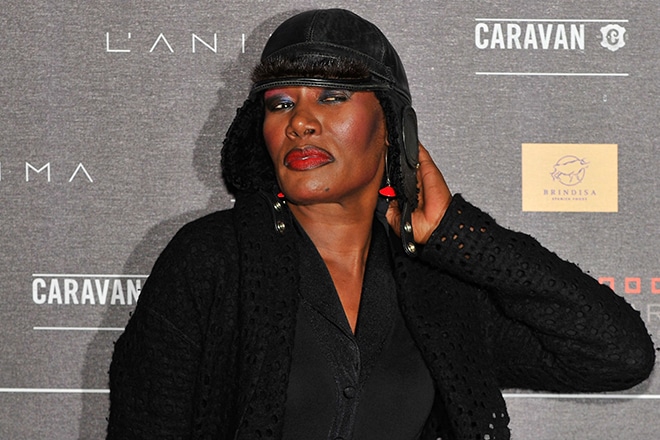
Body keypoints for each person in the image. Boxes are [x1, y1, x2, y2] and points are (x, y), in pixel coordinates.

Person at [107, 8, 655, 440]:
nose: (301, 122)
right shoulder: (210, 261)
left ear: (394, 128)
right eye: (281, 103)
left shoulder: (438, 286)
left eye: (333, 97)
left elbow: (619, 355)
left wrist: (456, 234)